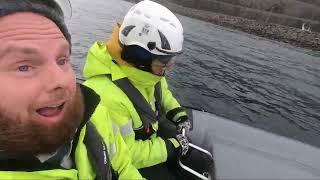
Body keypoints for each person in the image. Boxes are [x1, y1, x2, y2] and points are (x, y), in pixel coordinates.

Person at [0, 0, 143, 179]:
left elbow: (125, 169)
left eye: (62, 60)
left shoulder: (97, 117)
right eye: (24, 67)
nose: (61, 80)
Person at [83, 0, 193, 178]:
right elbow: (125, 153)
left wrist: (177, 112)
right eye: (165, 62)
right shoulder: (107, 97)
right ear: (140, 57)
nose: (169, 67)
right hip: (130, 161)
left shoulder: (149, 76)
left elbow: (162, 92)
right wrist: (170, 147)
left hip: (149, 136)